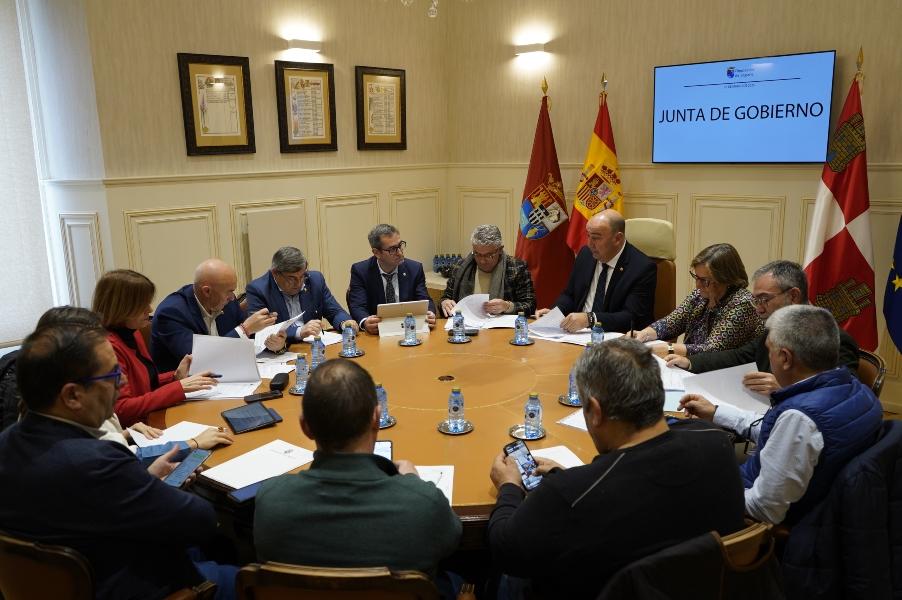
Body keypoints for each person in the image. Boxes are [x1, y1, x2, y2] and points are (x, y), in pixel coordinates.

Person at [488, 338, 745, 599]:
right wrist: (570, 479)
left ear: (595, 411)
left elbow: (504, 550)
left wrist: (508, 486)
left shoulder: (569, 494)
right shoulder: (716, 442)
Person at [0, 320, 237, 600]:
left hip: (45, 586)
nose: (123, 382)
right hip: (131, 584)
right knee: (243, 576)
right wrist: (153, 487)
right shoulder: (97, 461)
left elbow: (84, 508)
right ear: (73, 395)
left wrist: (143, 482)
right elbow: (201, 521)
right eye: (113, 374)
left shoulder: (8, 442)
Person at [254, 359, 461, 577]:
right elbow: (452, 540)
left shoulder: (271, 500)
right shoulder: (423, 504)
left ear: (305, 427)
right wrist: (413, 482)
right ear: (377, 418)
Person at [680, 305, 883, 525]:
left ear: (785, 358)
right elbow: (780, 433)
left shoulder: (800, 417)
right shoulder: (855, 390)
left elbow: (764, 509)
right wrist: (716, 412)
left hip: (768, 521)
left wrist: (705, 490)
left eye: (769, 350)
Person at [665, 260, 860, 394]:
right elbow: (740, 356)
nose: (758, 309)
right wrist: (690, 363)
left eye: (764, 299)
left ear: (793, 296)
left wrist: (785, 389)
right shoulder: (775, 327)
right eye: (755, 300)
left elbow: (843, 395)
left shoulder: (837, 341)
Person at [92, 269, 221, 426]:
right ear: (122, 307)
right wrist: (178, 388)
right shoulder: (106, 348)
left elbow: (143, 384)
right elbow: (122, 409)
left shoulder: (132, 332)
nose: (150, 309)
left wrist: (174, 377)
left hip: (149, 419)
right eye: (142, 305)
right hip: (136, 429)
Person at [535, 209, 656, 333]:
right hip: (576, 335)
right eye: (588, 236)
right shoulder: (586, 254)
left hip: (613, 337)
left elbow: (631, 318)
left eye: (596, 238)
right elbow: (570, 295)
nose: (589, 243)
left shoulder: (642, 268)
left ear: (617, 238)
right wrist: (555, 313)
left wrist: (591, 319)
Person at [633, 243, 763, 357]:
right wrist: (644, 334)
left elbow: (712, 350)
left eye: (704, 280)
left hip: (727, 372)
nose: (697, 285)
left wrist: (669, 348)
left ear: (725, 279)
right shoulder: (700, 295)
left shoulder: (743, 303)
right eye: (696, 277)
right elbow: (671, 323)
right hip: (694, 367)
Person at [151, 258, 277, 372]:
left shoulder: (227, 302)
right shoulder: (171, 313)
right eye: (229, 292)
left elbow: (250, 339)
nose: (232, 297)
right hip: (187, 385)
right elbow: (197, 360)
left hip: (227, 375)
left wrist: (274, 343)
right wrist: (244, 329)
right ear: (207, 291)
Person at [246, 246, 356, 352]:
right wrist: (299, 332)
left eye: (302, 276)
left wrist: (345, 323)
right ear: (275, 273)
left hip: (314, 349)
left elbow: (334, 311)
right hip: (281, 352)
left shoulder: (315, 280)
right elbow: (260, 331)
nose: (298, 283)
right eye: (291, 278)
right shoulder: (258, 289)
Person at [347, 224, 437, 334]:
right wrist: (365, 321)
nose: (400, 253)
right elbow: (357, 306)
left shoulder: (414, 269)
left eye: (400, 245)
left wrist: (430, 313)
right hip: (377, 334)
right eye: (392, 249)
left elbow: (424, 299)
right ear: (376, 252)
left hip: (409, 330)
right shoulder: (361, 271)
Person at [439, 224, 536, 317]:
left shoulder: (517, 268)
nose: (482, 260)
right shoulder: (460, 266)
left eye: (489, 255)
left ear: (500, 249)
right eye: (477, 254)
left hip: (501, 326)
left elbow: (530, 305)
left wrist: (507, 306)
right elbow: (445, 298)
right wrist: (444, 303)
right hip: (465, 325)